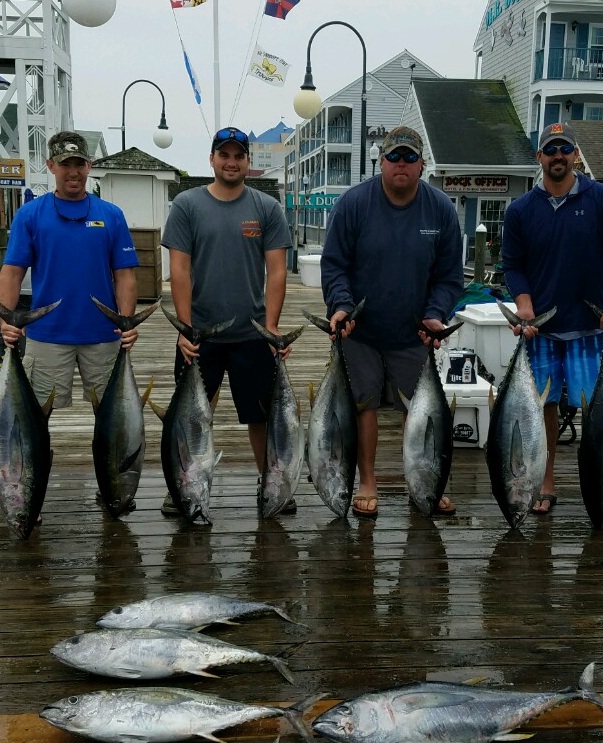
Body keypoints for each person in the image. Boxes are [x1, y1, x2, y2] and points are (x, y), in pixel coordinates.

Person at [320, 125, 464, 518]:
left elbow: (450, 276)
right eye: (394, 157)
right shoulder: (353, 204)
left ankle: (423, 478)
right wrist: (341, 305)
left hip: (414, 332)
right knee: (363, 404)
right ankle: (367, 481)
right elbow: (334, 265)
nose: (402, 164)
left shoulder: (441, 210)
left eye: (410, 158)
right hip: (360, 330)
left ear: (422, 165)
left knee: (419, 409)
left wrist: (435, 314)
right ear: (381, 161)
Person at [500, 122, 603, 521]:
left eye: (565, 149)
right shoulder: (521, 210)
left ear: (575, 155)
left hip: (591, 328)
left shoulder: (602, 199)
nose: (558, 156)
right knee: (544, 408)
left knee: (602, 411)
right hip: (540, 329)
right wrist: (523, 305)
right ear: (539, 158)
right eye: (550, 149)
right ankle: (545, 482)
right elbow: (512, 264)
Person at [161, 125, 294, 509]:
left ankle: (270, 483)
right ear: (212, 159)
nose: (231, 162)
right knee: (190, 416)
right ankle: (182, 484)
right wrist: (185, 330)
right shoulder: (187, 205)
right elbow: (180, 270)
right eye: (224, 155)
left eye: (239, 156)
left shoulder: (267, 208)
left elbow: (278, 271)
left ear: (248, 161)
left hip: (251, 333)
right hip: (199, 335)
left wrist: (270, 327)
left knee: (261, 416)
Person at [0, 129, 140, 406]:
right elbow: (12, 272)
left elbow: (125, 276)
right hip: (46, 334)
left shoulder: (112, 215)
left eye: (78, 164)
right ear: (51, 166)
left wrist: (127, 321)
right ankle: (39, 452)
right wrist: (7, 320)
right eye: (65, 164)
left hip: (104, 335)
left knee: (112, 411)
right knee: (37, 413)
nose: (72, 172)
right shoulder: (29, 214)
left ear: (89, 166)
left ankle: (111, 453)